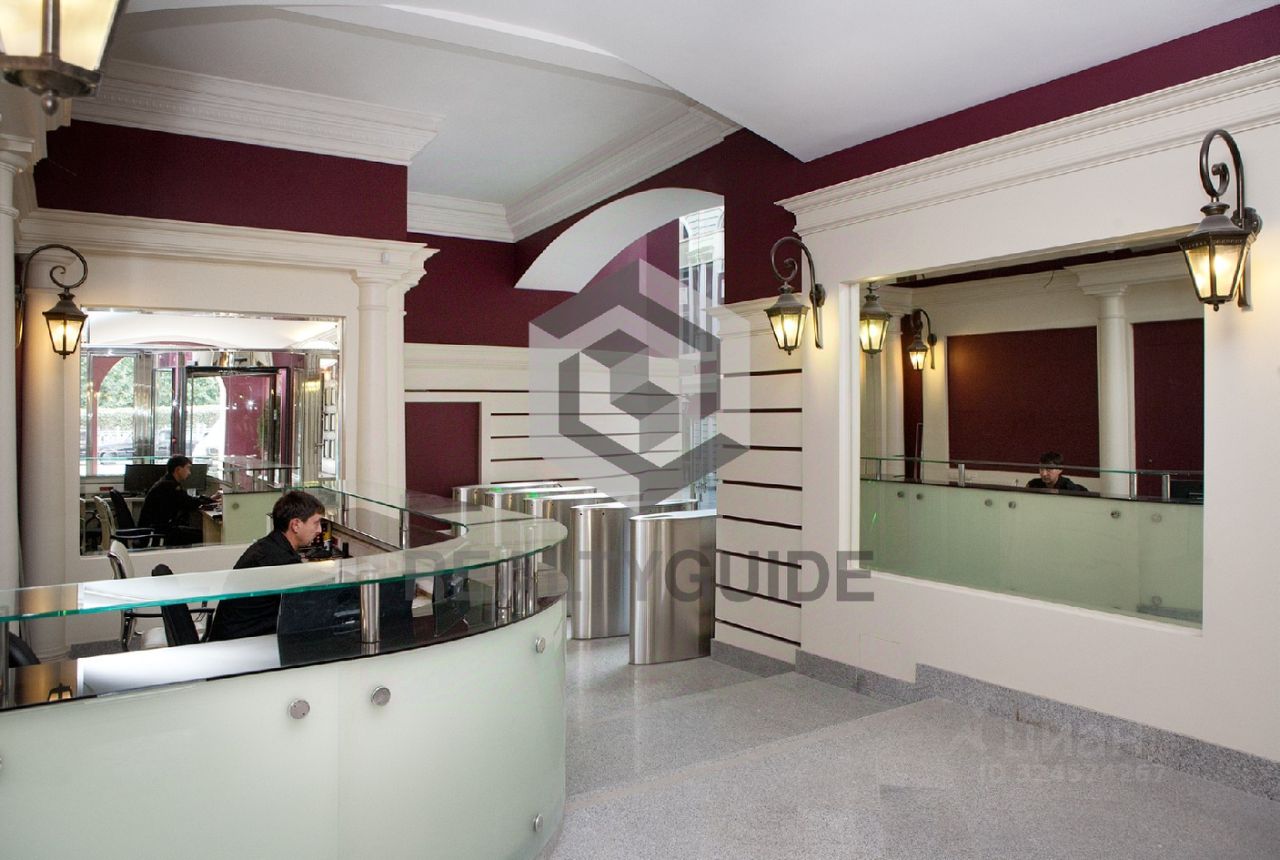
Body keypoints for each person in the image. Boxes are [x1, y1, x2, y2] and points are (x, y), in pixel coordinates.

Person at [206, 490, 326, 641]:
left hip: (233, 636)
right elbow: (305, 610)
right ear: (295, 525)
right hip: (242, 643)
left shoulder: (267, 546)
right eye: (316, 523)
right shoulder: (281, 561)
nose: (319, 530)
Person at [138, 455, 216, 545]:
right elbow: (189, 503)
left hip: (158, 529)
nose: (189, 472)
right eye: (187, 468)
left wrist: (210, 500)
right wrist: (212, 502)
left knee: (202, 534)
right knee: (205, 537)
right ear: (178, 469)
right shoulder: (169, 485)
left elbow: (187, 499)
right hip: (156, 533)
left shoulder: (167, 482)